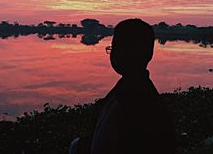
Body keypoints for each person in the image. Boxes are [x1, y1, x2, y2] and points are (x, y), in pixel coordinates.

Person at [71, 19, 176, 154]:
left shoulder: (140, 101)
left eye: (116, 47)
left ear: (130, 51)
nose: (113, 54)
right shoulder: (128, 88)